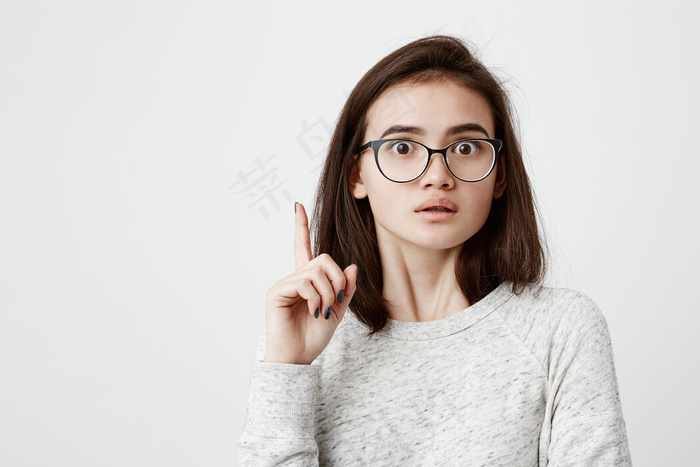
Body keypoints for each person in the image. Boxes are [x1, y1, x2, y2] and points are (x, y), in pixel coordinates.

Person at [237, 34, 632, 465]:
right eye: (403, 147)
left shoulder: (561, 329)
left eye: (466, 147)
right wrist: (287, 368)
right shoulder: (303, 337)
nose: (438, 175)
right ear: (357, 175)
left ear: (499, 176)